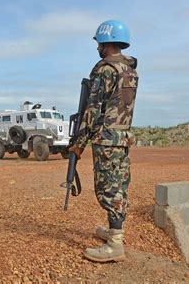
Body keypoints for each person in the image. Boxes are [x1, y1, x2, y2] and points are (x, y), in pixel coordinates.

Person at [69, 20, 138, 262]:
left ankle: (115, 245)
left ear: (106, 43)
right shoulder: (129, 70)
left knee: (107, 190)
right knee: (119, 185)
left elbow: (92, 108)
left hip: (106, 139)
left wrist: (79, 142)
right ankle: (114, 231)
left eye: (99, 43)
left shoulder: (105, 70)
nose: (97, 47)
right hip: (122, 137)